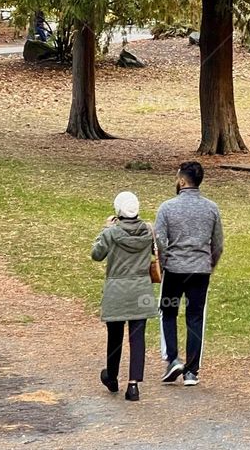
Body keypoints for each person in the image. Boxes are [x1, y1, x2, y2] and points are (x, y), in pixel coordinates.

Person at [155, 161, 224, 386]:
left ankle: (173, 358)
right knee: (195, 317)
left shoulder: (167, 208)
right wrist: (209, 264)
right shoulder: (211, 208)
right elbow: (218, 244)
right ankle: (192, 371)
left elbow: (160, 241)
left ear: (182, 180)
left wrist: (164, 263)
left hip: (174, 269)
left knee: (168, 312)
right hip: (200, 270)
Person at [91, 190, 159, 401]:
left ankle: (112, 376)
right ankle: (133, 385)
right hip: (140, 289)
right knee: (137, 338)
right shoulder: (148, 230)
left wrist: (105, 229)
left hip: (117, 291)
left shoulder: (111, 233)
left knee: (115, 336)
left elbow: (96, 254)